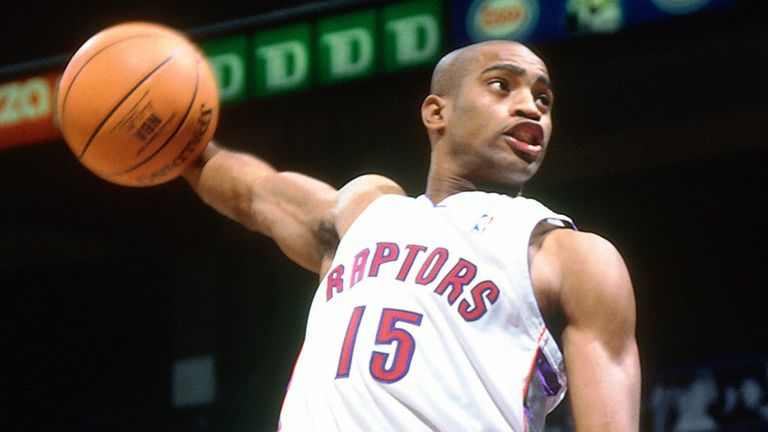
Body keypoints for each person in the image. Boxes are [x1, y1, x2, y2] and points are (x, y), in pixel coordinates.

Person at [183, 40, 640, 431]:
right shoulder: (365, 214)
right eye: (502, 85)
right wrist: (177, 140)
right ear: (436, 112)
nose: (529, 107)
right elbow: (251, 194)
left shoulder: (570, 256)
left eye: (543, 99)